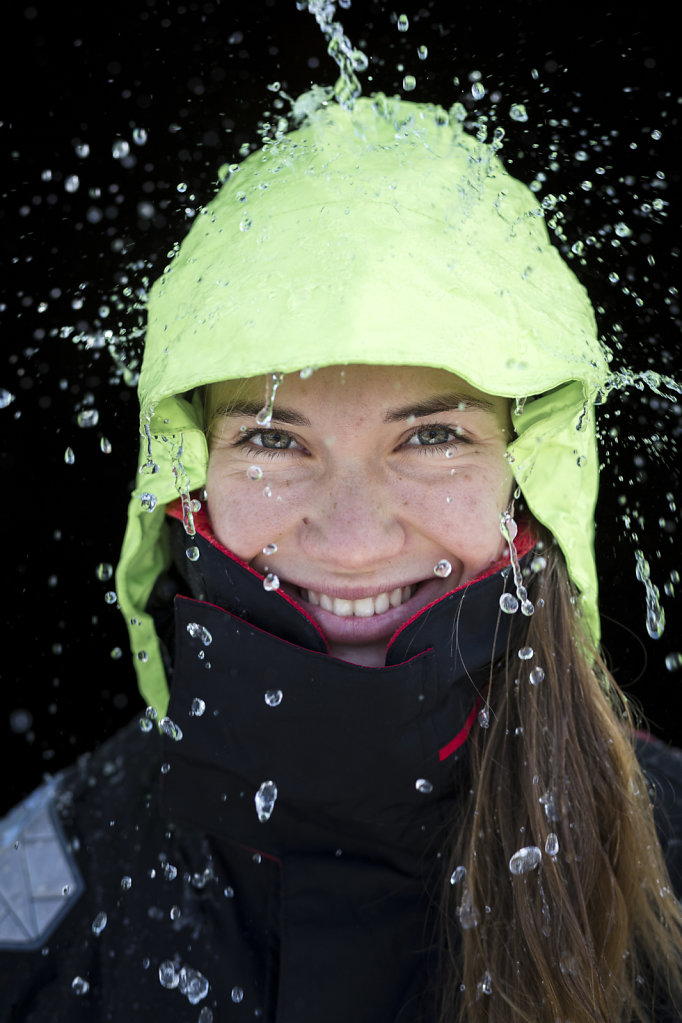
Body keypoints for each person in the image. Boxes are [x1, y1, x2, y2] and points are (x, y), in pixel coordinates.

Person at [1, 93, 681, 1023]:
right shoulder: (41, 900)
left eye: (434, 437)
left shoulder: (671, 870)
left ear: (533, 481)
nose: (355, 538)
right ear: (185, 478)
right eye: (276, 442)